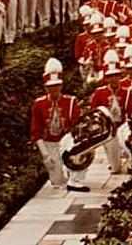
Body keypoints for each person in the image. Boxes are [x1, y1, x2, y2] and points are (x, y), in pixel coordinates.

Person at [31, 57, 88, 192]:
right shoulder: (39, 104)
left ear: (62, 86)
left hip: (66, 141)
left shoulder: (71, 101)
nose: (54, 89)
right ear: (46, 88)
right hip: (49, 143)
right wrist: (45, 154)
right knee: (58, 182)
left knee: (78, 159)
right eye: (51, 87)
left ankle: (76, 179)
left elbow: (77, 125)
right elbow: (35, 130)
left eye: (57, 86)